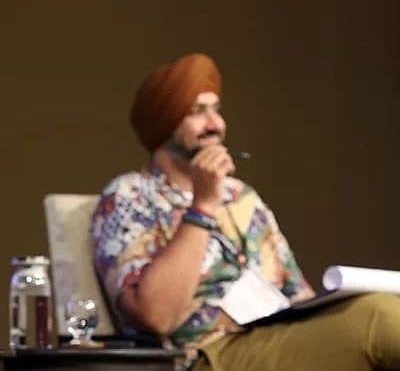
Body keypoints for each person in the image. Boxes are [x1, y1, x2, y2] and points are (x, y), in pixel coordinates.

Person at [90, 52, 400, 371]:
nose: (216, 125)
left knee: (381, 310)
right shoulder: (129, 195)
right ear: (163, 121)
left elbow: (298, 295)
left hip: (276, 336)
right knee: (379, 319)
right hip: (204, 356)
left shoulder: (242, 196)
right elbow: (156, 316)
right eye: (197, 112)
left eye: (216, 110)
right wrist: (202, 206)